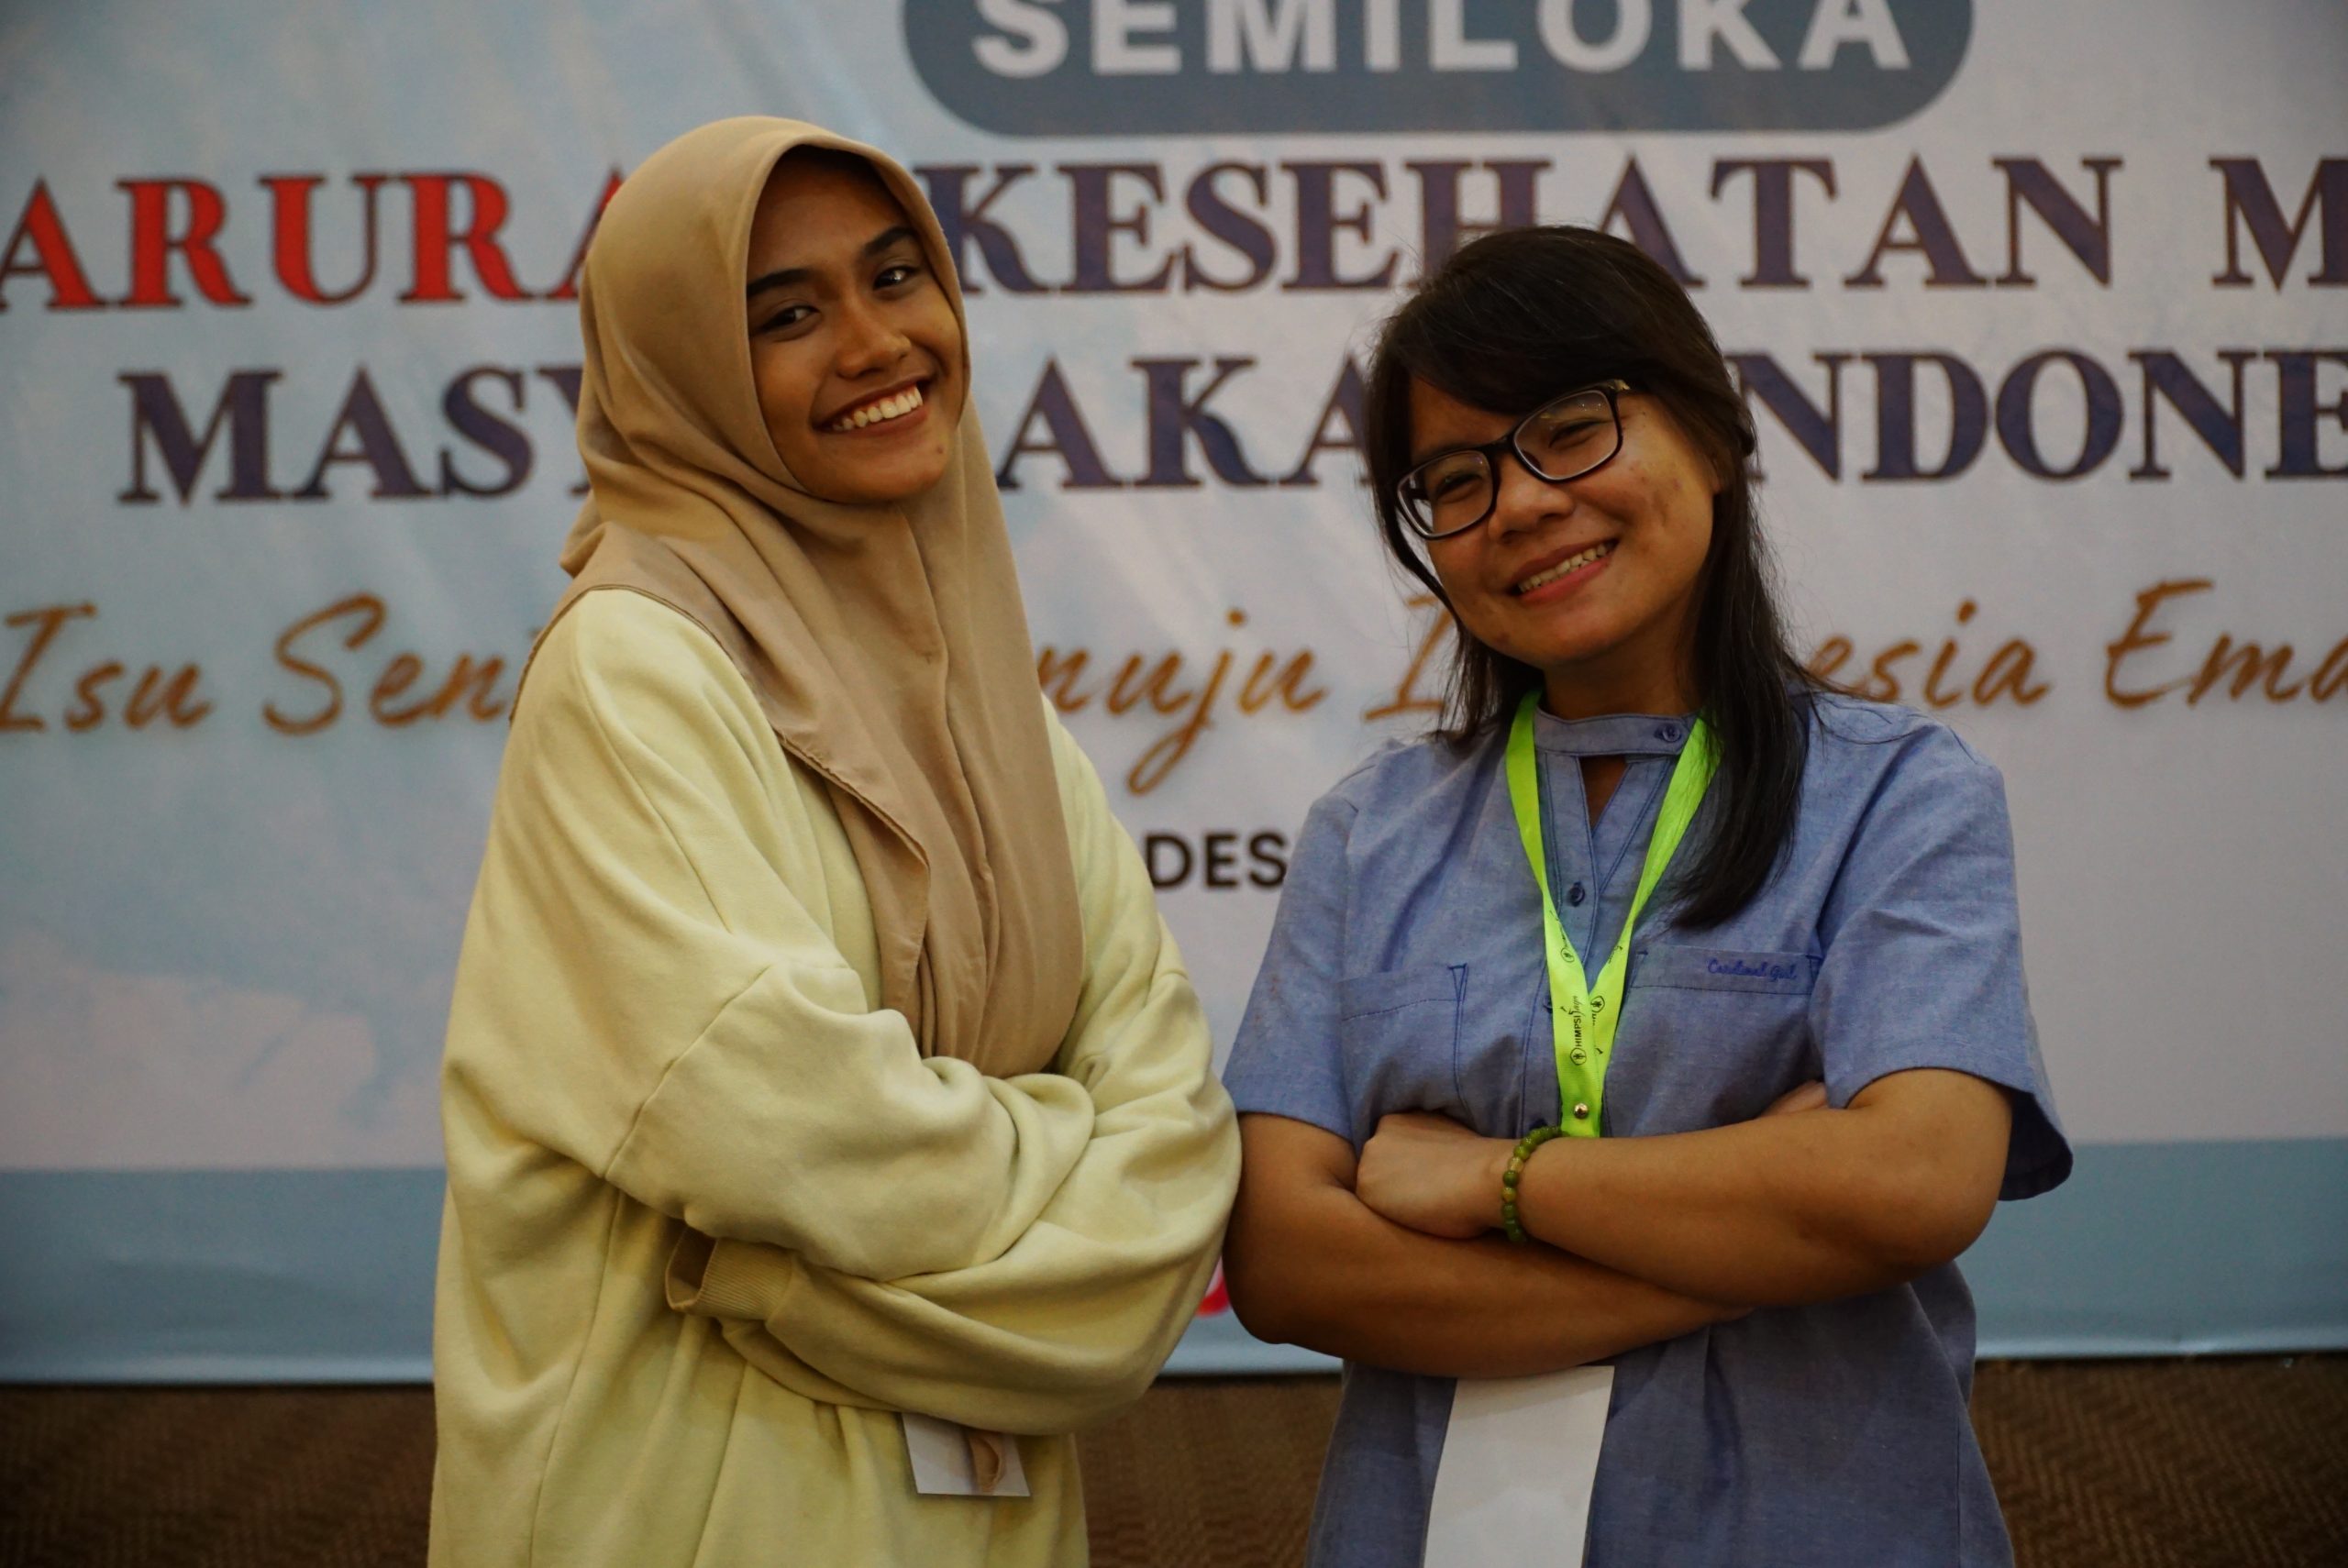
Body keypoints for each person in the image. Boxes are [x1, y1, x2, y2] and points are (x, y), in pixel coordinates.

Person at [429, 117, 1237, 1567]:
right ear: (682, 371)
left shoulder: (985, 699)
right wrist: (1074, 1167)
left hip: (987, 1496)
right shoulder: (633, 670)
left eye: (895, 277)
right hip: (695, 1498)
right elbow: (773, 1129)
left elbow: (1171, 1123)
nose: (876, 343)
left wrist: (806, 1277)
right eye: (786, 315)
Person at [1221, 226, 2069, 1568]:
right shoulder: (1366, 834)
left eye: (1570, 429)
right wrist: (1760, 1233)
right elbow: (1285, 1264)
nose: (1520, 503)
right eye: (1457, 479)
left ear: (1714, 437)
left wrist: (1493, 1178)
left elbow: (1913, 1182)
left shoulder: (1900, 795)